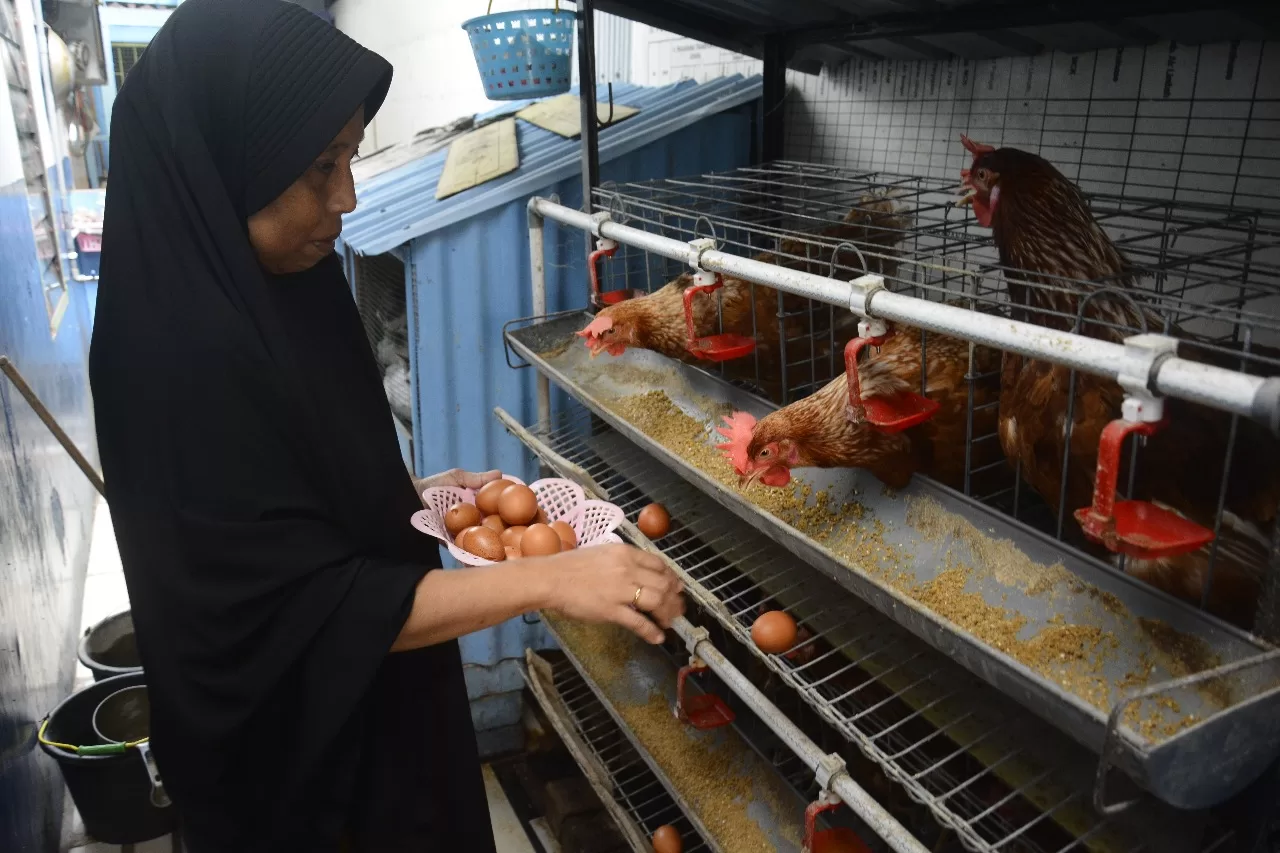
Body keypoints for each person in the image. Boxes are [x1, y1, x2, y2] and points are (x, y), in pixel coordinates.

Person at [89, 1, 685, 850]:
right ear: (227, 165)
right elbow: (295, 612)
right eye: (320, 167)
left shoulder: (283, 285)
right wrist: (554, 580)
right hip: (293, 775)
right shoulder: (169, 363)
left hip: (381, 719)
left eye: (351, 156)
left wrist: (398, 492)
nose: (348, 196)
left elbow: (273, 503)